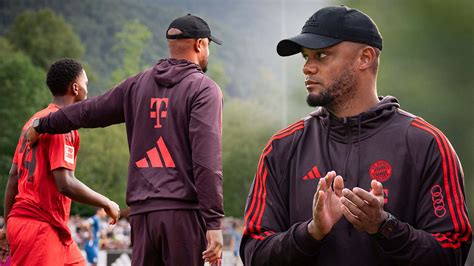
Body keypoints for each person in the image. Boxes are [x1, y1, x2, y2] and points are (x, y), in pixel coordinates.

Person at [240, 5, 471, 265]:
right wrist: (311, 233)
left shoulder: (426, 143)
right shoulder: (283, 147)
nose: (307, 68)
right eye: (306, 57)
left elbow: (452, 252)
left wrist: (385, 227)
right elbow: (254, 254)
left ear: (365, 58)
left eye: (322, 55)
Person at [27, 14, 224, 265]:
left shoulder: (137, 84)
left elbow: (89, 111)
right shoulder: (204, 89)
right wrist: (214, 222)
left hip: (142, 217)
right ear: (199, 44)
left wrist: (43, 124)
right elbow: (207, 161)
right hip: (182, 215)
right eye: (208, 45)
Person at [1, 58, 120, 265]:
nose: (87, 90)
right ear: (75, 88)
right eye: (86, 84)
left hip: (52, 229)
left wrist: (7, 225)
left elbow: (13, 176)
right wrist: (106, 202)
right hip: (39, 228)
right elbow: (65, 184)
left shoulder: (33, 121)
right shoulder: (60, 124)